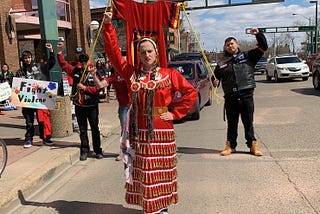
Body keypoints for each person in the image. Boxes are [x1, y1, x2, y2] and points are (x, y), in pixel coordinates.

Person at [101, 12, 198, 214]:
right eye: (143, 52)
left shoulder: (169, 74)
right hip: (140, 131)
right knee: (145, 171)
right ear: (139, 55)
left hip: (162, 130)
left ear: (156, 52)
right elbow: (113, 55)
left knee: (161, 171)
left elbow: (190, 92)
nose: (147, 55)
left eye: (150, 51)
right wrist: (108, 26)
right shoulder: (131, 74)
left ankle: (162, 207)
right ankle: (149, 205)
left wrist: (175, 114)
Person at [212, 28, 268, 156]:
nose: (230, 46)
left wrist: (258, 34)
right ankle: (230, 146)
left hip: (246, 95)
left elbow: (264, 46)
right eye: (227, 44)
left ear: (237, 44)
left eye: (232, 43)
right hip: (230, 97)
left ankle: (252, 146)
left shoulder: (249, 56)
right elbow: (216, 76)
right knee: (232, 124)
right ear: (225, 47)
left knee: (248, 123)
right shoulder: (221, 62)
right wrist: (214, 81)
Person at [56, 42, 104, 161]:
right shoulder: (75, 71)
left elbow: (98, 88)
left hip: (92, 106)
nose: (83, 64)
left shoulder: (94, 73)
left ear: (89, 61)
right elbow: (63, 64)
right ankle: (84, 150)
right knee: (82, 130)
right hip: (79, 105)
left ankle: (98, 150)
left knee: (94, 128)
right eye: (81, 61)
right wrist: (59, 51)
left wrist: (85, 88)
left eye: (85, 61)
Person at [15, 43, 56, 148]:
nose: (27, 60)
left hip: (39, 99)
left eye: (29, 57)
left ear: (31, 58)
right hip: (27, 100)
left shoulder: (39, 66)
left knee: (42, 120)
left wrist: (51, 51)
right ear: (23, 59)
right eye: (25, 58)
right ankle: (28, 139)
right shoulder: (20, 72)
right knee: (29, 122)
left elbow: (52, 63)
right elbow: (16, 87)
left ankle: (46, 138)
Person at [91, 68, 132, 161]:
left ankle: (138, 151)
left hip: (135, 106)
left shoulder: (131, 72)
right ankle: (123, 152)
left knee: (138, 130)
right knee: (125, 131)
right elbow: (100, 85)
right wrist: (94, 75)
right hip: (124, 107)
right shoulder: (114, 76)